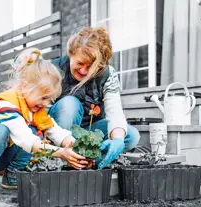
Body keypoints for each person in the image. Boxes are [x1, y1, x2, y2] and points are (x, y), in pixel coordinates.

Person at [0, 48, 88, 197]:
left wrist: (73, 144)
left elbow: (54, 130)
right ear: (25, 87)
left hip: (1, 156)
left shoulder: (34, 108)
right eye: (44, 98)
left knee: (31, 130)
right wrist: (61, 153)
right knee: (1, 131)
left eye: (50, 99)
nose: (46, 103)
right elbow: (28, 141)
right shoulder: (5, 104)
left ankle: (12, 176)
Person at [50, 26, 140, 170]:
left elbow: (114, 110)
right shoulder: (53, 71)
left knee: (130, 136)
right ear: (70, 53)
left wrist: (117, 139)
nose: (84, 71)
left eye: (91, 67)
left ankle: (87, 160)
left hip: (88, 132)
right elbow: (40, 114)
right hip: (57, 133)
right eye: (80, 63)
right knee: (69, 104)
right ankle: (61, 158)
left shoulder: (107, 74)